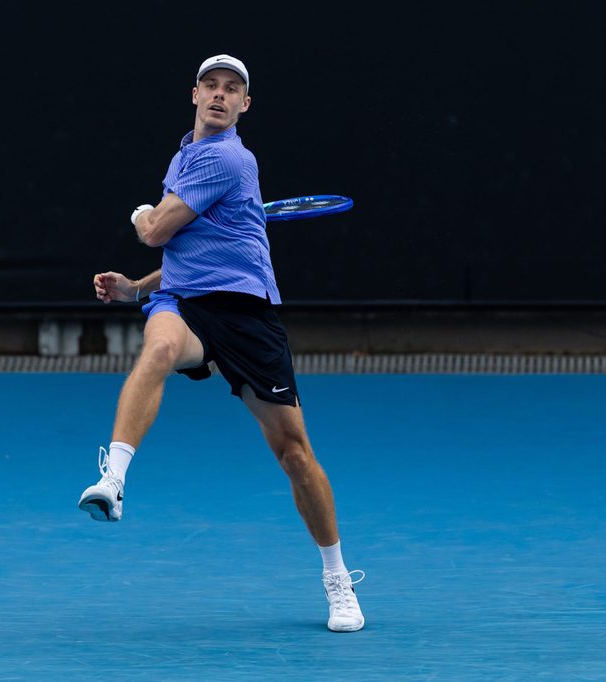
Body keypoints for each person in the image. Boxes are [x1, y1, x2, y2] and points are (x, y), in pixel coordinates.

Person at [77, 54, 365, 632]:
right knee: (156, 351)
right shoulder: (186, 155)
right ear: (194, 94)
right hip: (184, 304)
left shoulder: (228, 157)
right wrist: (137, 289)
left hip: (245, 315)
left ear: (244, 106)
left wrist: (141, 215)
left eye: (231, 89)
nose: (219, 94)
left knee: (294, 453)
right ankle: (114, 480)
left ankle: (338, 580)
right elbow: (188, 252)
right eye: (210, 85)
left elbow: (157, 231)